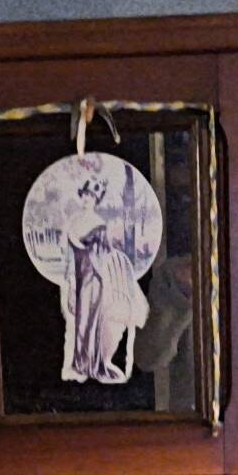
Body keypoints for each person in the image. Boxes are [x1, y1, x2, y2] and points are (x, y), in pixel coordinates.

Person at [58, 162, 148, 383]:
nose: (88, 199)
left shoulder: (99, 224)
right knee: (79, 321)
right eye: (85, 195)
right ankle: (79, 364)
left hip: (94, 277)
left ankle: (92, 363)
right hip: (78, 276)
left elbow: (103, 253)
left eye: (92, 196)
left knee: (90, 321)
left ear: (96, 200)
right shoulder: (74, 221)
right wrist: (69, 279)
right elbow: (69, 254)